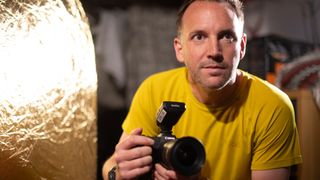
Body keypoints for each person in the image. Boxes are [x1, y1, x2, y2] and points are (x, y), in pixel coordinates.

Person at [102, 0, 302, 179]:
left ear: (241, 47)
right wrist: (118, 173)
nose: (214, 51)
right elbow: (111, 165)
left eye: (226, 36)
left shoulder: (272, 106)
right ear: (180, 49)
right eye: (199, 37)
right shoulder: (154, 90)